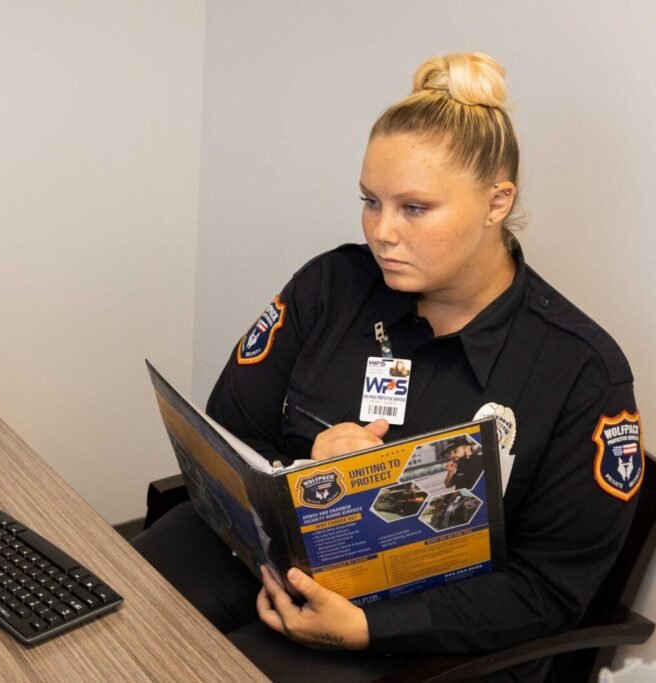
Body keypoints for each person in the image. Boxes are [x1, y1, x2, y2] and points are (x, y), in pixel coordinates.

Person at [132, 52, 643, 681]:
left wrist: (372, 628)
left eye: (415, 208)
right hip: (271, 552)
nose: (382, 232)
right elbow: (229, 431)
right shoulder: (333, 286)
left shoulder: (579, 371)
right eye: (371, 201)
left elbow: (550, 590)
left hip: (427, 632)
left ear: (496, 201)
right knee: (111, 607)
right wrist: (306, 465)